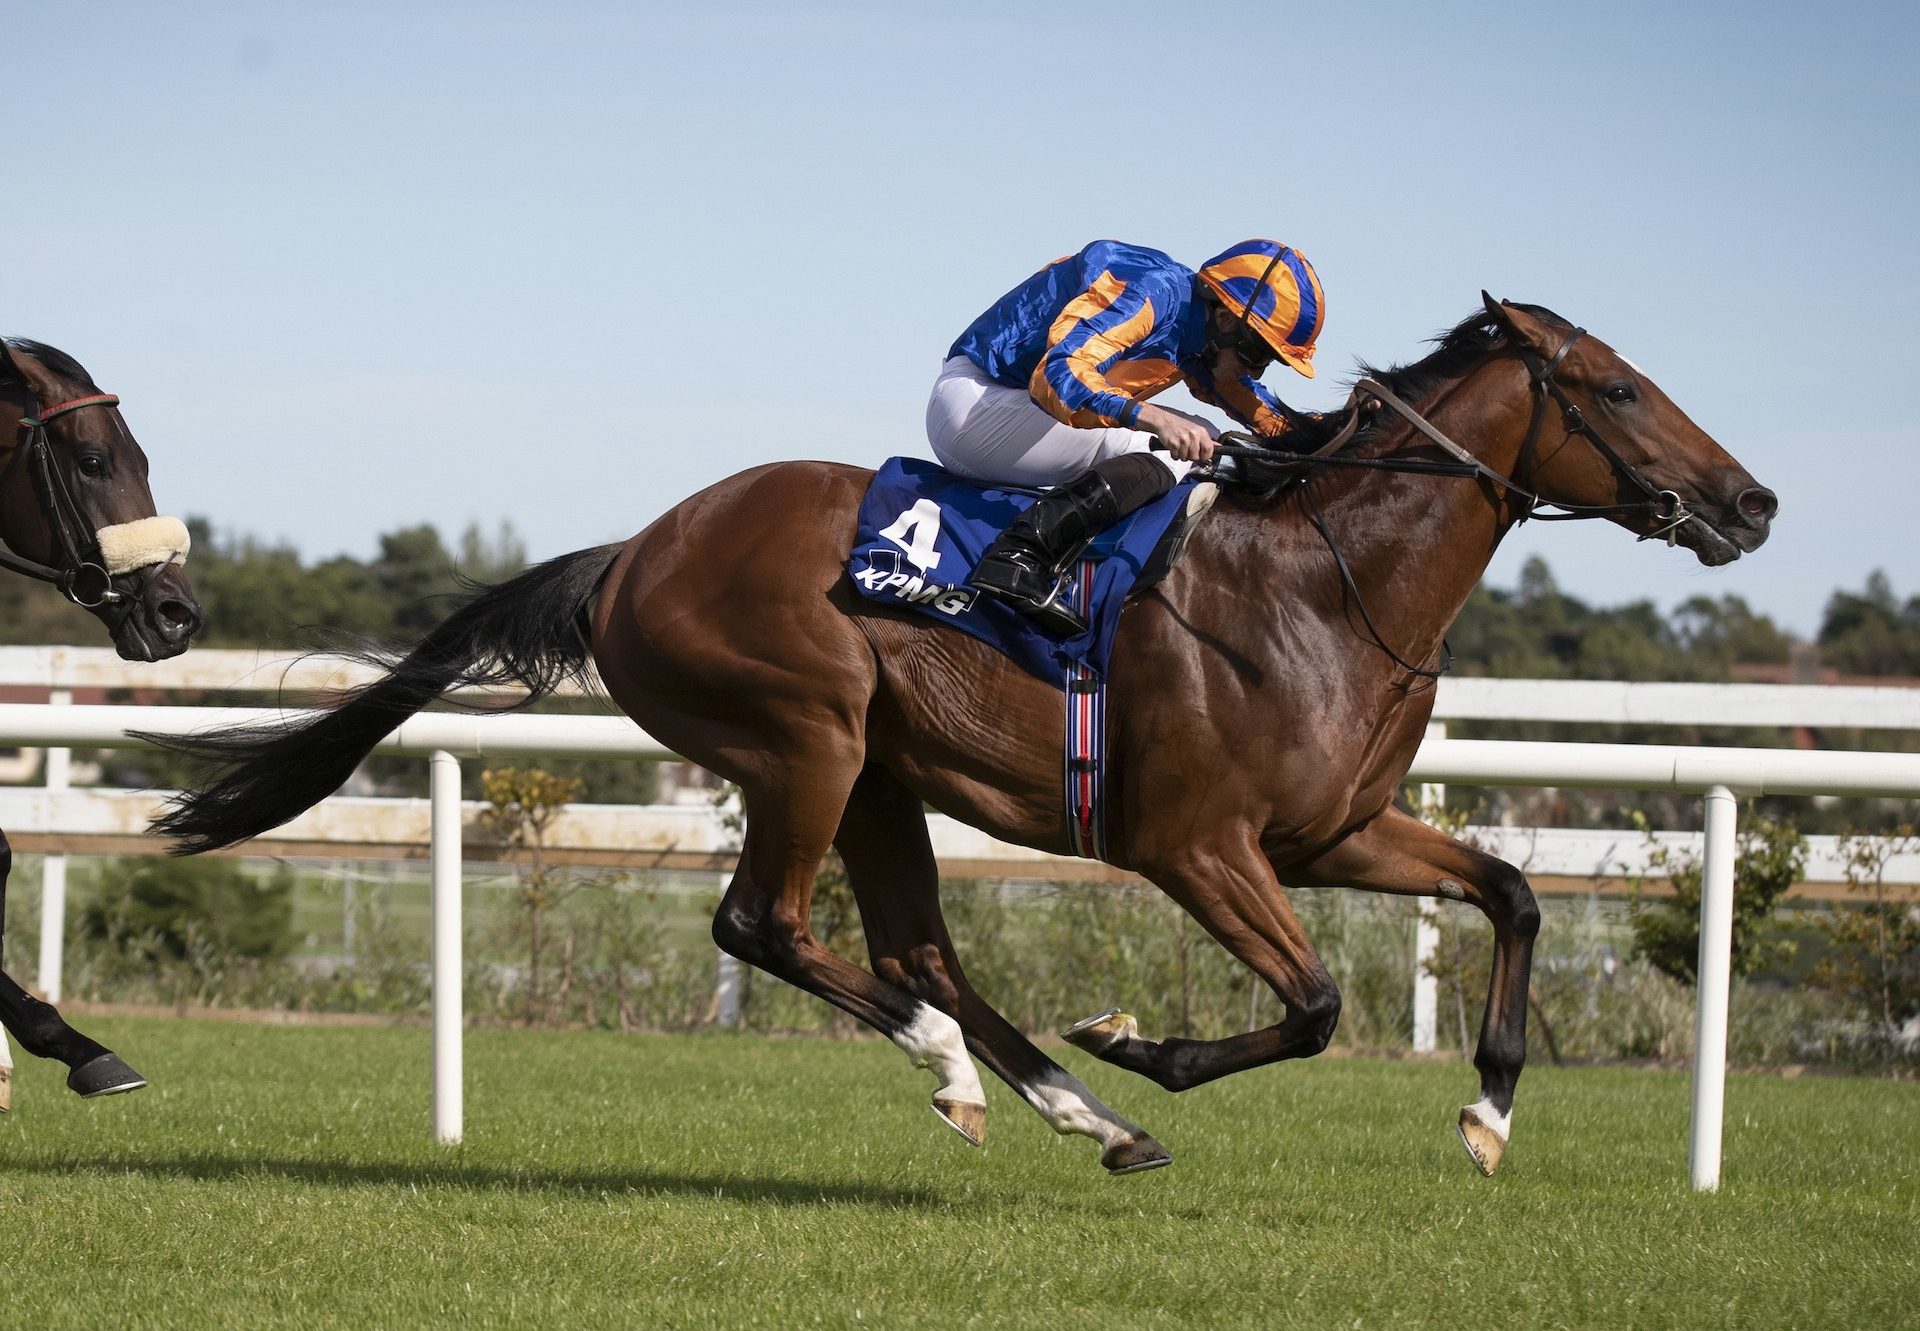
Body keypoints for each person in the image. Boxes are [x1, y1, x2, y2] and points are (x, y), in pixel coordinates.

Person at [928, 238, 1325, 633]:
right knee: (1185, 450)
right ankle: (1018, 555)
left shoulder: (1197, 328)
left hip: (1010, 410)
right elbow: (1057, 374)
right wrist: (1151, 418)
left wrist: (1345, 430)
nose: (1255, 372)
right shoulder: (1152, 294)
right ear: (1224, 320)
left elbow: (1262, 413)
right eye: (1258, 356)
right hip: (976, 405)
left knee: (1206, 437)